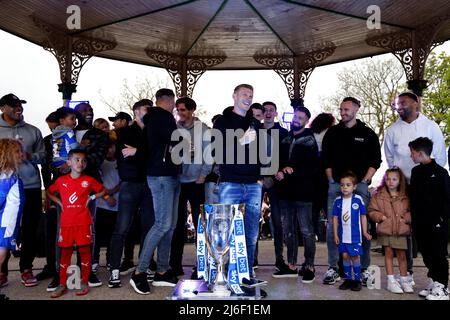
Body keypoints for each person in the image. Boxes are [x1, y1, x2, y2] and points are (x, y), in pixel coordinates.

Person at [384, 91, 447, 284]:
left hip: (428, 187)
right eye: (397, 103)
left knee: (430, 233)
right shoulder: (393, 129)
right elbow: (390, 158)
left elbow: (440, 155)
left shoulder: (430, 126)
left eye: (403, 102)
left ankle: (438, 279)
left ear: (415, 103)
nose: (399, 105)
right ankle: (407, 272)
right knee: (405, 228)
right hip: (403, 186)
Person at [321, 97, 381, 285]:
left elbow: (375, 161)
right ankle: (334, 267)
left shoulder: (368, 134)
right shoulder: (332, 133)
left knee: (362, 228)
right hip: (336, 187)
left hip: (359, 188)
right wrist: (331, 181)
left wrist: (363, 182)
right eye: (341, 109)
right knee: (333, 227)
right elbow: (326, 160)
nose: (343, 112)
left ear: (356, 109)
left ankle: (362, 269)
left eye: (347, 109)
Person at [213, 84, 265, 286]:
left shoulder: (255, 123)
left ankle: (246, 274)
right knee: (224, 231)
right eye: (244, 94)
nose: (248, 98)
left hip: (253, 184)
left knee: (251, 234)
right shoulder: (223, 122)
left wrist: (260, 177)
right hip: (230, 183)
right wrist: (240, 142)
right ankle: (223, 275)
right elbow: (217, 153)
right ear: (234, 96)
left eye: (251, 95)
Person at [130, 89, 181, 295]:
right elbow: (175, 141)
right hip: (161, 176)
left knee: (170, 226)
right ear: (169, 101)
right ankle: (139, 272)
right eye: (174, 103)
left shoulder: (151, 120)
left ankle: (162, 270)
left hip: (167, 173)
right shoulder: (163, 116)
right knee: (162, 224)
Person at [108, 99, 155, 288]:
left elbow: (158, 155)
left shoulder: (153, 132)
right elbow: (126, 156)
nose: (150, 113)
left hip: (150, 184)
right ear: (136, 111)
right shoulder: (122, 132)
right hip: (129, 184)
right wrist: (144, 154)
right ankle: (114, 269)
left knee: (148, 228)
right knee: (122, 228)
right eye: (147, 109)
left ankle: (143, 268)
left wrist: (139, 152)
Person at [0, 93, 45, 287]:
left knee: (30, 230)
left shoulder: (33, 131)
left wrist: (29, 155)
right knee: (3, 227)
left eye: (20, 104)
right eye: (13, 105)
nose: (18, 108)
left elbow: (44, 156)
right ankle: (2, 272)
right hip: (3, 187)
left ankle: (26, 268)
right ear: (2, 108)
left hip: (30, 185)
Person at [46, 148, 105, 298]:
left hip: (83, 223)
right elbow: (49, 192)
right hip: (66, 224)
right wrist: (59, 202)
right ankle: (62, 283)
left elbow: (103, 191)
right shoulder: (61, 180)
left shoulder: (89, 180)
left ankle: (84, 282)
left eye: (84, 160)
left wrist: (91, 198)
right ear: (69, 162)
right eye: (77, 159)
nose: (81, 163)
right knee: (65, 253)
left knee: (84, 252)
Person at [273, 106, 319, 283]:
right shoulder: (285, 138)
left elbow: (312, 166)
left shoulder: (309, 140)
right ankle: (291, 266)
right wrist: (278, 171)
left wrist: (292, 171)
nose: (297, 119)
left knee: (306, 230)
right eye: (295, 116)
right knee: (288, 231)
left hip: (304, 192)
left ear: (306, 121)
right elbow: (278, 161)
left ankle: (309, 266)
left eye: (301, 117)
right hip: (285, 192)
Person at [170, 96, 212, 278]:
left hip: (196, 181)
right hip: (178, 181)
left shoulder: (203, 130)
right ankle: (174, 264)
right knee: (176, 224)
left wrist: (203, 176)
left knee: (199, 224)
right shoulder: (173, 129)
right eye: (178, 110)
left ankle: (200, 264)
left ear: (192, 110)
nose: (180, 113)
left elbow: (209, 155)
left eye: (183, 110)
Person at [408, 137, 450, 300]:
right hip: (420, 223)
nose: (411, 156)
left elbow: (447, 198)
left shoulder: (441, 173)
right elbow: (414, 196)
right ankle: (434, 281)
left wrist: (441, 219)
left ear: (420, 153)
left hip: (437, 223)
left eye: (412, 153)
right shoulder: (415, 172)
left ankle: (443, 287)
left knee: (438, 253)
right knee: (426, 253)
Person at [368, 167, 413, 294]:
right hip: (386, 229)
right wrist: (380, 217)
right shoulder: (379, 195)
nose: (391, 182)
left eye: (394, 179)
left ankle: (404, 280)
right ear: (384, 180)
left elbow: (411, 210)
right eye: (388, 179)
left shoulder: (405, 196)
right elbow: (371, 210)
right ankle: (391, 280)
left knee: (402, 255)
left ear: (400, 181)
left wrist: (406, 219)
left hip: (401, 230)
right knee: (388, 254)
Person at [260, 101, 289, 273]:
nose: (268, 113)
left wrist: (275, 174)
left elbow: (286, 156)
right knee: (251, 220)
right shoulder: (255, 131)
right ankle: (251, 259)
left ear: (276, 113)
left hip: (277, 181)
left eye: (271, 110)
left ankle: (280, 258)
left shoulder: (283, 133)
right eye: (265, 110)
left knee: (278, 221)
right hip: (257, 180)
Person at [332, 171, 372, 292]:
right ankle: (348, 280)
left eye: (348, 185)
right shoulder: (337, 201)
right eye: (342, 185)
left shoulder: (358, 199)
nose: (345, 187)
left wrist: (365, 232)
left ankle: (357, 280)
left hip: (355, 236)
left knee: (354, 257)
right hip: (342, 236)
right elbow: (335, 218)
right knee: (344, 256)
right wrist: (335, 234)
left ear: (354, 187)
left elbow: (363, 216)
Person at [0, 139, 25, 291]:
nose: (22, 154)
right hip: (4, 226)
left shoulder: (12, 177)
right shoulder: (9, 180)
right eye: (17, 151)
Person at [93, 141, 121, 274]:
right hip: (102, 205)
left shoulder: (120, 162)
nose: (109, 150)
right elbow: (95, 182)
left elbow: (124, 180)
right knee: (97, 235)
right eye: (107, 147)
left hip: (117, 204)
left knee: (113, 235)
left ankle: (111, 260)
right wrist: (105, 196)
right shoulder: (100, 163)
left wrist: (113, 191)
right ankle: (94, 261)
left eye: (111, 147)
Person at [310, 113, 336, 242]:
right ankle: (331, 234)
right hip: (325, 169)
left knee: (314, 208)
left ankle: (311, 234)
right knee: (328, 206)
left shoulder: (312, 132)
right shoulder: (330, 132)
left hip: (313, 171)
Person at [51, 107, 79, 177]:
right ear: (62, 121)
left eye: (75, 119)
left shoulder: (55, 133)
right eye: (72, 118)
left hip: (56, 163)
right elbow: (75, 147)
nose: (75, 121)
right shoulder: (69, 133)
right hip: (67, 162)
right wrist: (83, 146)